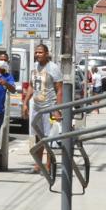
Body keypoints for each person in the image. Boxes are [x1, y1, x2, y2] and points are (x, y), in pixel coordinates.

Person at [23, 44, 63, 173]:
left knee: (48, 138)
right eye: (36, 52)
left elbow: (60, 90)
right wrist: (25, 102)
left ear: (46, 53)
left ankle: (49, 165)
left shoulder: (53, 68)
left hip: (49, 107)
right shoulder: (34, 66)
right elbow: (31, 85)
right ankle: (38, 163)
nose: (38, 54)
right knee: (38, 137)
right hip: (37, 107)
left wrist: (57, 109)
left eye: (40, 52)